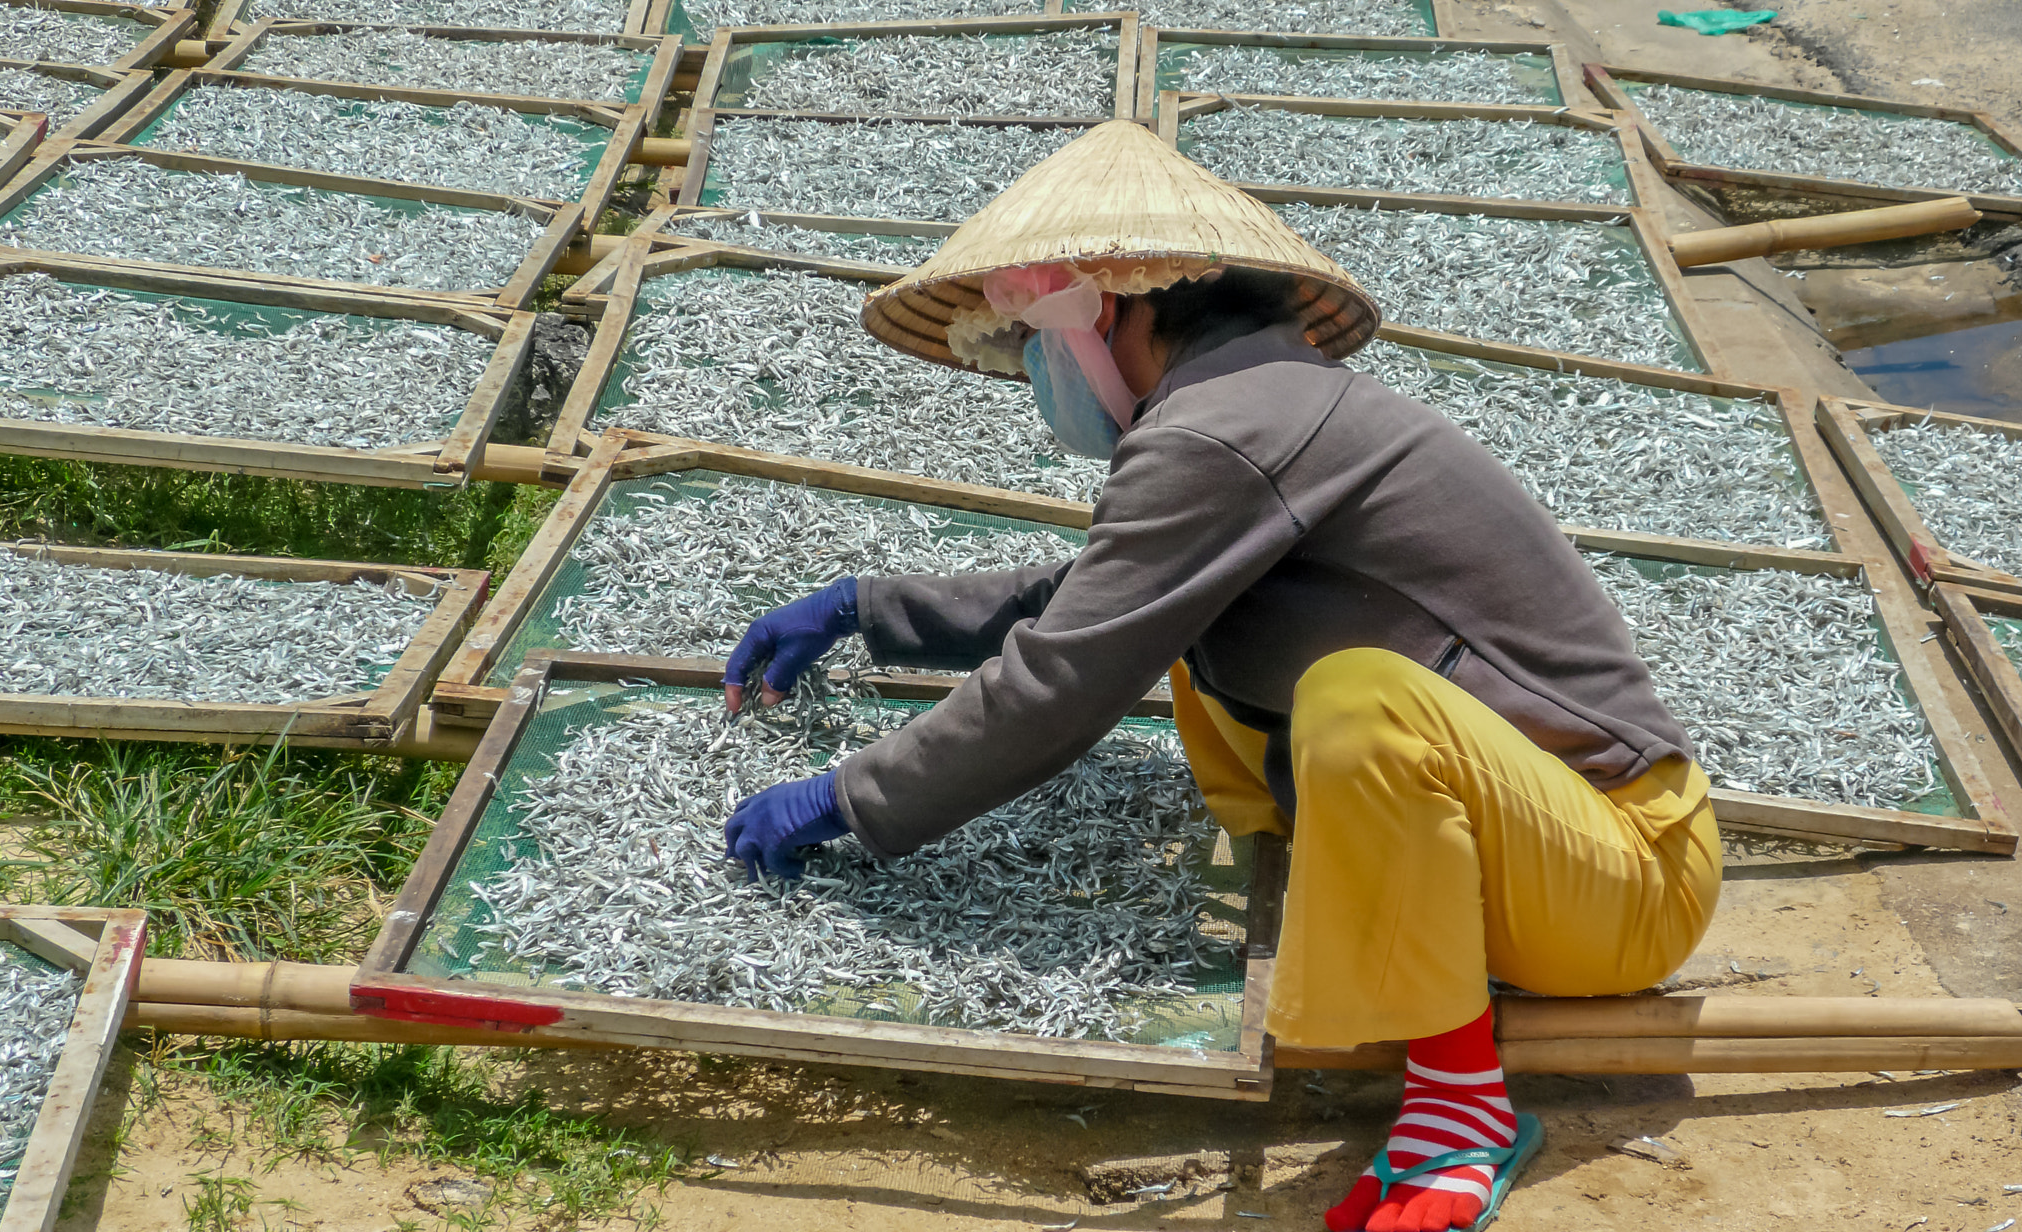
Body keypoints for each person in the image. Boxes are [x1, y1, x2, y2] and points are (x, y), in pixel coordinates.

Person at [718, 121, 1720, 1232]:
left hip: (1621, 881)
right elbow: (1100, 597)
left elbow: (1068, 670)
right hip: (1528, 851)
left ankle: (1458, 1102)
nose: (1035, 373)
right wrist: (866, 608)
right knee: (1203, 646)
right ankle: (1371, 908)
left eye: (1032, 342)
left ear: (1107, 311)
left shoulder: (1224, 426)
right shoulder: (1255, 400)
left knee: (1357, 701)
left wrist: (847, 794)